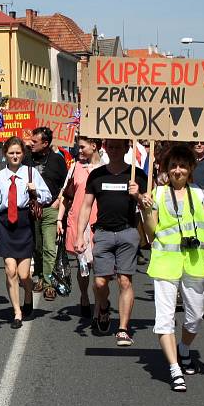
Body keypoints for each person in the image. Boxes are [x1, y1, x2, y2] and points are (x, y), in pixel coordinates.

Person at [140, 144, 204, 392]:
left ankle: (184, 348)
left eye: (183, 166)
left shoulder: (199, 193)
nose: (177, 170)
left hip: (195, 261)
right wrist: (145, 210)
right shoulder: (158, 193)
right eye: (173, 166)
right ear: (166, 168)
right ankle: (174, 368)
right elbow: (151, 233)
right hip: (165, 262)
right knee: (164, 319)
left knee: (195, 316)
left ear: (190, 168)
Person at [75, 139, 148, 346]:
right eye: (111, 147)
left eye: (119, 147)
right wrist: (80, 235)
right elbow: (86, 206)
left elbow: (149, 207)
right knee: (100, 282)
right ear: (105, 148)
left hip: (128, 232)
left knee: (125, 281)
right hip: (103, 233)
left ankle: (123, 329)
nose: (115, 150)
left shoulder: (137, 175)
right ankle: (104, 305)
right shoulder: (97, 175)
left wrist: (138, 196)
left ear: (127, 149)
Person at [0, 137, 50, 329]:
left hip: (24, 223)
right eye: (11, 153)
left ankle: (28, 294)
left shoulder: (30, 173)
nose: (15, 156)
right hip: (5, 224)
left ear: (23, 154)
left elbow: (47, 196)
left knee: (23, 274)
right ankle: (17, 311)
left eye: (18, 153)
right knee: (10, 270)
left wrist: (36, 191)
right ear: (5, 154)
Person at [57, 135, 102, 318]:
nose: (79, 150)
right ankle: (84, 296)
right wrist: (59, 219)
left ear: (94, 146)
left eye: (82, 147)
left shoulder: (106, 168)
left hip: (99, 223)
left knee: (100, 268)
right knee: (83, 266)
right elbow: (66, 196)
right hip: (79, 223)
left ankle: (100, 304)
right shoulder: (75, 167)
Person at [26, 127, 67, 301]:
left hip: (51, 209)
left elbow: (66, 183)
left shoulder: (57, 160)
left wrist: (59, 199)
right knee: (37, 246)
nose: (31, 144)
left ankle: (50, 284)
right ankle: (41, 277)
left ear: (45, 143)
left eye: (35, 142)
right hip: (32, 209)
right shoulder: (27, 159)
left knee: (50, 247)